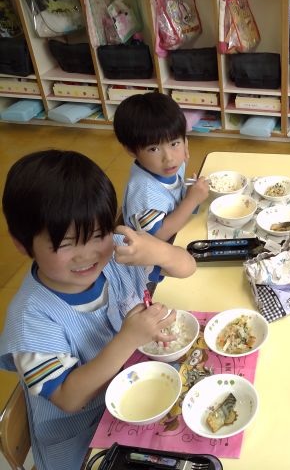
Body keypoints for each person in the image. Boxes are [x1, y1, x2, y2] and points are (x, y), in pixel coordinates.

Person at [0, 150, 197, 470]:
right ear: (23, 244)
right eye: (65, 244)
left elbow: (187, 267)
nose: (87, 256)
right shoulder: (30, 319)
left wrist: (159, 250)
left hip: (140, 395)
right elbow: (68, 398)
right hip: (83, 438)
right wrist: (128, 339)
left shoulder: (116, 257)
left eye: (97, 236)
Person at [113, 92, 209, 241]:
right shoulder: (145, 194)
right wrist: (191, 201)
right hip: (153, 251)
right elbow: (158, 236)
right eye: (154, 149)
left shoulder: (166, 165)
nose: (169, 158)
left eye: (174, 143)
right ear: (131, 150)